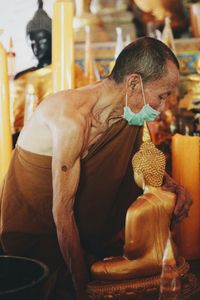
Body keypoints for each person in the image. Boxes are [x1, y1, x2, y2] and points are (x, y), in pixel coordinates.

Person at [0, 37, 192, 300]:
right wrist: (82, 289)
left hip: (92, 238)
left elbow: (147, 167)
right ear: (133, 83)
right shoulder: (70, 120)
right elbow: (62, 214)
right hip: (41, 242)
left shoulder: (128, 113)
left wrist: (174, 188)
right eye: (162, 96)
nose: (162, 108)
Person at [90, 137, 178, 287]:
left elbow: (132, 251)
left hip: (146, 263)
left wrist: (121, 253)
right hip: (171, 253)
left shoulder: (136, 209)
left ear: (140, 174)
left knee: (96, 268)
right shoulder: (171, 198)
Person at [12, 0, 85, 146]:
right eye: (32, 42)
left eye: (42, 40)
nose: (37, 47)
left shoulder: (71, 71)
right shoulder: (23, 77)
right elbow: (15, 123)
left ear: (53, 39)